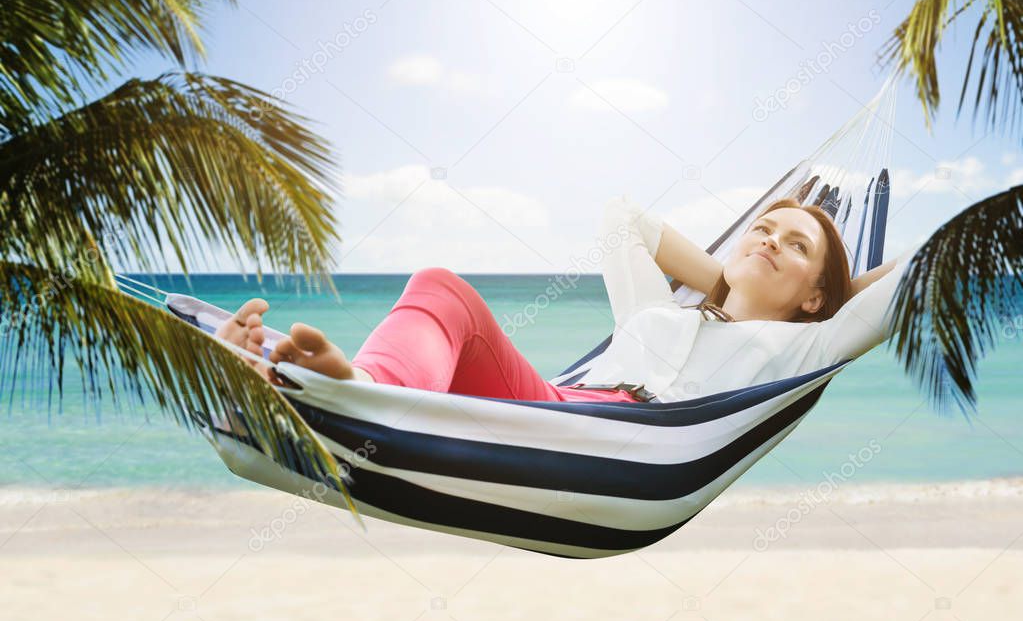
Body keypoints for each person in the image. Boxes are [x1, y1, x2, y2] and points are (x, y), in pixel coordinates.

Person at [215, 194, 918, 404]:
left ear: (815, 293)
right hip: (554, 406)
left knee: (444, 291)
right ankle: (348, 383)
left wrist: (834, 299)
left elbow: (918, 274)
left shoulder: (803, 347)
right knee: (439, 285)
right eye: (759, 228)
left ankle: (348, 387)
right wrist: (728, 281)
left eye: (795, 246)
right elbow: (624, 220)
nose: (767, 240)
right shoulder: (652, 316)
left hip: (629, 441)